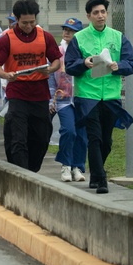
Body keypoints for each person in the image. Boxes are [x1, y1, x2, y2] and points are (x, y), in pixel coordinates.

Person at [64, 0, 133, 194]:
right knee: (94, 138)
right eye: (95, 12)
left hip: (111, 96)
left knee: (107, 141)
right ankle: (102, 178)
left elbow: (132, 62)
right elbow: (69, 66)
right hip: (88, 96)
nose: (100, 15)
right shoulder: (79, 38)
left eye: (103, 12)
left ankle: (95, 174)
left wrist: (118, 66)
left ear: (107, 14)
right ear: (88, 16)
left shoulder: (117, 37)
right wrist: (84, 62)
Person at [0, 0, 63, 173]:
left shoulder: (45, 37)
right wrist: (6, 75)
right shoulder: (6, 38)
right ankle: (21, 173)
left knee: (41, 137)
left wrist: (50, 70)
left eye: (32, 22)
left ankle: (32, 171)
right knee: (17, 136)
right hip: (17, 92)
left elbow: (56, 61)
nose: (29, 26)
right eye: (24, 23)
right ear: (16, 19)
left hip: (40, 94)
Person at [49, 17, 88, 182]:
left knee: (82, 135)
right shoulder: (57, 53)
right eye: (65, 29)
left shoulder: (84, 51)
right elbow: (51, 77)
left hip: (82, 99)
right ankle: (65, 165)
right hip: (63, 100)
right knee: (68, 131)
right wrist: (51, 99)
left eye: (71, 30)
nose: (66, 32)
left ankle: (77, 166)